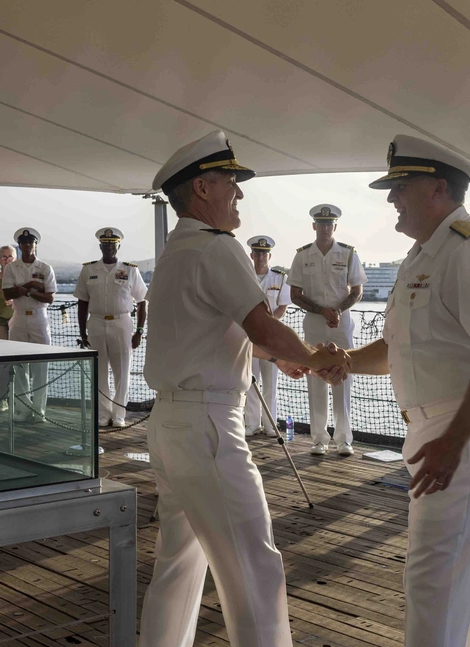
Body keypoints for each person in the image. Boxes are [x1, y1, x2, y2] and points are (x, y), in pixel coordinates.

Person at [139, 130, 350, 647]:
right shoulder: (218, 249)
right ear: (204, 188)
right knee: (254, 564)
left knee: (179, 565)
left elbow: (211, 334)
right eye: (231, 184)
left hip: (169, 423)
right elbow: (262, 325)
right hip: (209, 427)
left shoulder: (174, 252)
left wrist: (283, 356)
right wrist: (316, 357)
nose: (239, 195)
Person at [340, 135, 470, 647]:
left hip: (463, 428)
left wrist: (453, 442)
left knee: (434, 576)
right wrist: (344, 363)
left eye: (402, 186)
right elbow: (401, 346)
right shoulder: (422, 255)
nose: (392, 198)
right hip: (433, 428)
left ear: (438, 188)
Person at [289, 204, 367, 457]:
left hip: (341, 325)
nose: (324, 228)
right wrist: (322, 310)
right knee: (315, 378)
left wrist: (338, 311)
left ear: (335, 226)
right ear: (314, 226)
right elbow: (295, 295)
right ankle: (319, 439)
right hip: (314, 324)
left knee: (343, 378)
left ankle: (344, 439)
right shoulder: (302, 256)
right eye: (320, 224)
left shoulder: (348, 254)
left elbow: (356, 290)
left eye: (328, 224)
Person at [75, 227, 148, 428]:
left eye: (112, 244)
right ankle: (103, 414)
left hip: (122, 323)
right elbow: (82, 301)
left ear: (118, 246)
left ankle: (119, 415)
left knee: (122, 371)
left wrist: (139, 332)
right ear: (100, 246)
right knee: (99, 371)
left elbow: (142, 301)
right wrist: (82, 331)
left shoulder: (130, 270)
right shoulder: (88, 270)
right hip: (96, 322)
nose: (109, 248)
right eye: (105, 245)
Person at [2, 228, 57, 422]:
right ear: (20, 245)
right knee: (19, 366)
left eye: (30, 242)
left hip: (39, 317)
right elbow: (7, 294)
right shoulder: (11, 268)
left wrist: (26, 291)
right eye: (23, 243)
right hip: (18, 318)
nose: (27, 246)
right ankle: (23, 409)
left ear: (36, 245)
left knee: (42, 366)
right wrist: (32, 287)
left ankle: (39, 410)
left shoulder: (45, 268)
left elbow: (49, 297)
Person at [243, 235, 291, 436]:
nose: (261, 257)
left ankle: (271, 425)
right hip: (250, 336)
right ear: (251, 255)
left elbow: (282, 306)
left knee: (271, 383)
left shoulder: (280, 277)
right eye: (257, 253)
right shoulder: (243, 275)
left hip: (272, 336)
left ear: (269, 255)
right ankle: (252, 424)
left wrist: (270, 324)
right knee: (251, 381)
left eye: (264, 253)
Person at [0, 244, 17, 410]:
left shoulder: (20, 277)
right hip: (0, 320)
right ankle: (2, 398)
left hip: (19, 320)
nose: (7, 260)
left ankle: (20, 398)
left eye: (10, 257)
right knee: (3, 361)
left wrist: (16, 301)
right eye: (3, 257)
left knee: (20, 360)